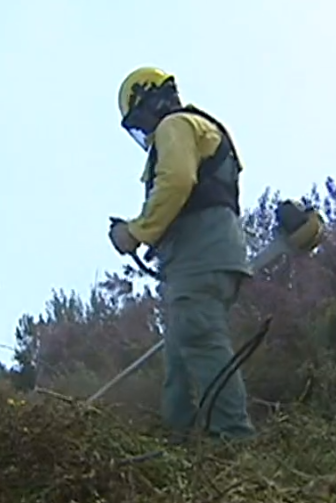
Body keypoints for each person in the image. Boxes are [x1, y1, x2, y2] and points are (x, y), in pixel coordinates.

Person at [108, 66, 256, 443]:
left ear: (150, 102)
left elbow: (176, 180)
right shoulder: (195, 126)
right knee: (180, 355)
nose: (144, 130)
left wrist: (136, 232)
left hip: (200, 256)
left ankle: (235, 443)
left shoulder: (175, 126)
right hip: (207, 255)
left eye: (140, 118)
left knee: (201, 340)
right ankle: (180, 445)